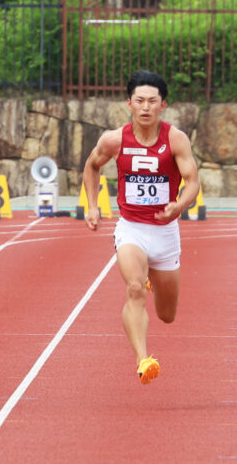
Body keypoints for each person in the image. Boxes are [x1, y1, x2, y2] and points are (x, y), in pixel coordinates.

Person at [82, 70, 200, 385]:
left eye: (152, 101)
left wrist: (180, 204)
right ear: (129, 103)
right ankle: (143, 360)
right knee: (134, 288)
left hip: (165, 232)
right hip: (131, 228)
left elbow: (193, 181)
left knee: (167, 314)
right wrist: (93, 205)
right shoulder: (114, 139)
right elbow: (92, 166)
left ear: (163, 105)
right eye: (139, 100)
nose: (145, 107)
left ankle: (152, 279)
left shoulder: (175, 139)